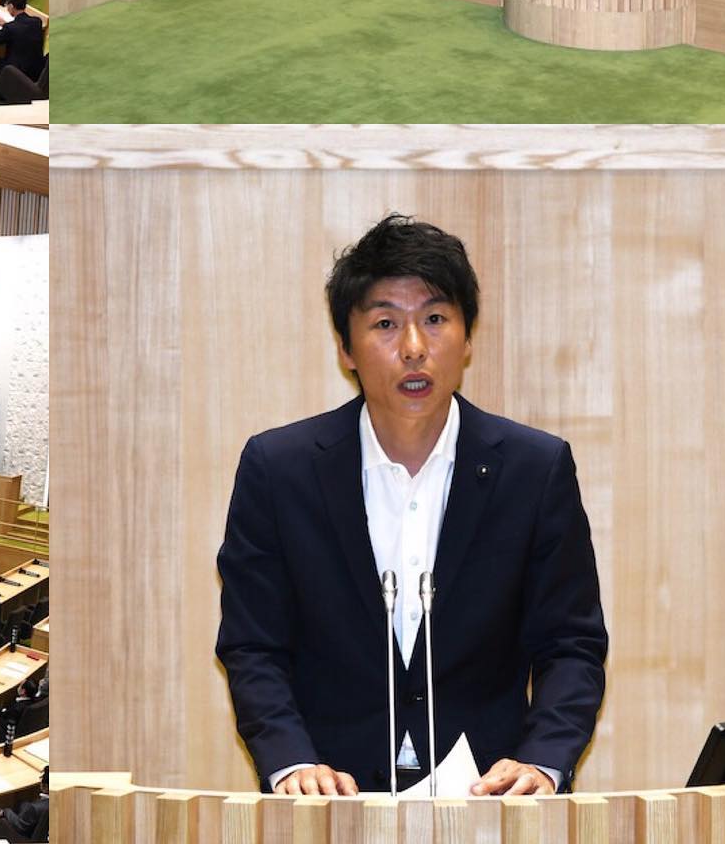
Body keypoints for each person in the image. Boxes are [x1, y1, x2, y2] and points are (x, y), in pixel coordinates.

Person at [215, 213, 608, 797]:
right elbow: (254, 645)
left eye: (435, 319)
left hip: (489, 806)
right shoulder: (279, 471)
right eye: (385, 324)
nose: (414, 348)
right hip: (332, 805)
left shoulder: (534, 469)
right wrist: (291, 763)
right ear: (345, 348)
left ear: (467, 338)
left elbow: (571, 645)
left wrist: (541, 762)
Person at [0, 766, 50, 840]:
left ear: (45, 786)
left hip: (23, 837)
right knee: (21, 804)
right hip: (44, 834)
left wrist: (5, 812)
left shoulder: (35, 808)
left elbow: (20, 826)